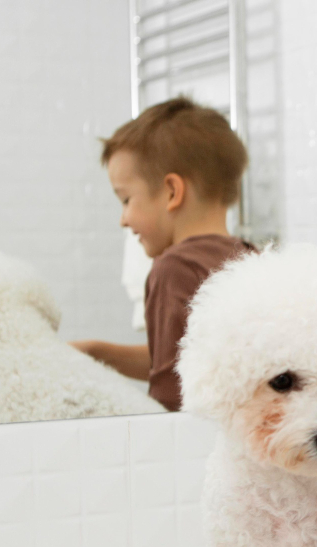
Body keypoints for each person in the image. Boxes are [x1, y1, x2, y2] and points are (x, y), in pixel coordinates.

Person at [72, 97, 255, 410]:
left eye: (126, 199)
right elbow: (176, 361)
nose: (123, 219)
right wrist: (98, 352)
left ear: (172, 192)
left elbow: (170, 398)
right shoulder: (249, 257)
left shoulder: (174, 270)